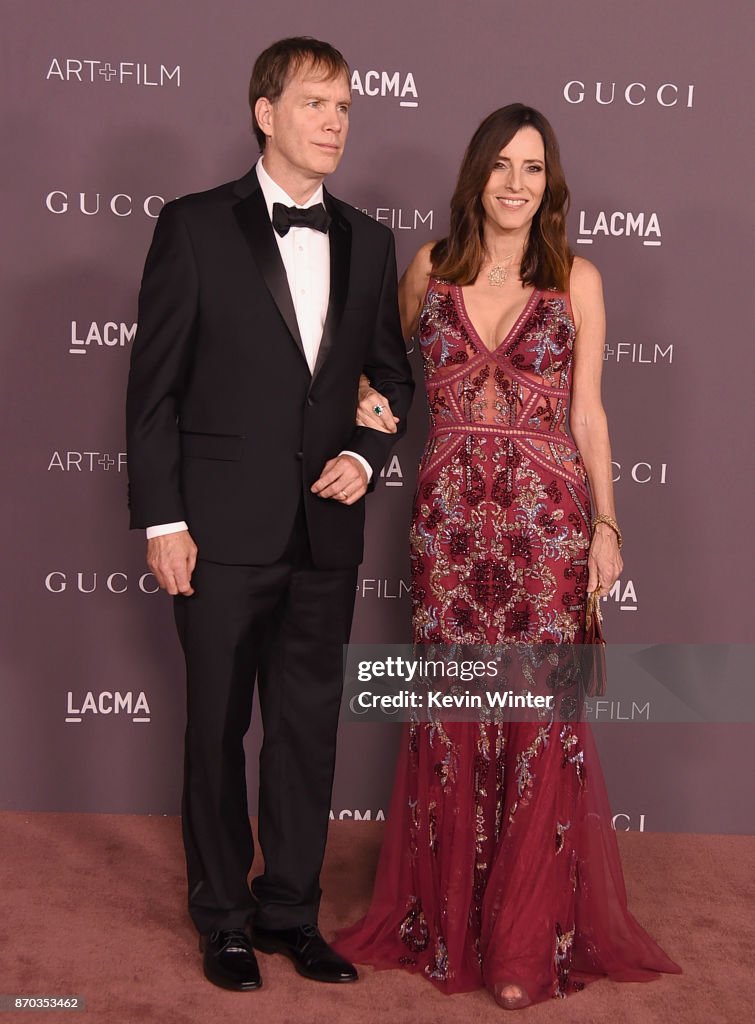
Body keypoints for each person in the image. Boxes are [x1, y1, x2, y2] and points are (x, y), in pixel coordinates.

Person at [335, 104, 681, 1008]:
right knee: (453, 726)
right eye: (500, 166)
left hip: (542, 537)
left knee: (536, 731)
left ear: (550, 182)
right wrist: (365, 421)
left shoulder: (576, 280)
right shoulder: (429, 272)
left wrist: (606, 524)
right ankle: (446, 923)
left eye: (532, 167)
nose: (516, 183)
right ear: (475, 176)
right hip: (450, 537)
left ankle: (525, 941)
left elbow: (589, 413)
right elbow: (383, 372)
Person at [125, 37, 413, 992]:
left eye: (345, 107)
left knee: (306, 732)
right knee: (214, 728)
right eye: (316, 104)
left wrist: (366, 454)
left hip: (323, 536)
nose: (335, 123)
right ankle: (224, 920)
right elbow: (154, 390)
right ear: (265, 111)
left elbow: (390, 373)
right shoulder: (195, 226)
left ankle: (291, 912)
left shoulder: (371, 242)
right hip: (213, 533)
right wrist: (163, 520)